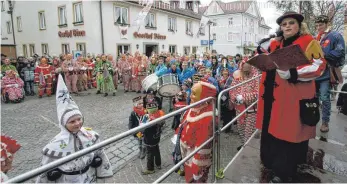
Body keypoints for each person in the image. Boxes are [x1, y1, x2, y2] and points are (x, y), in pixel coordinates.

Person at [255, 11, 326, 182]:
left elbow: (319, 66)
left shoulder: (310, 42)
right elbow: (262, 51)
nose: (287, 26)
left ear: (299, 25)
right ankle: (269, 162)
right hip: (271, 95)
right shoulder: (276, 43)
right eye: (284, 24)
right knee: (270, 128)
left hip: (293, 96)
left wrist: (294, 73)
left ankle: (283, 171)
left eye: (291, 23)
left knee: (288, 132)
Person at [36, 75, 113, 183]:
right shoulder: (54, 146)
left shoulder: (91, 136)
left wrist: (102, 173)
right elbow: (44, 170)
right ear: (63, 124)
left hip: (89, 177)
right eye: (72, 121)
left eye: (79, 119)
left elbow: (101, 155)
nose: (77, 123)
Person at [176, 81, 217, 183]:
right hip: (187, 156)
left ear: (204, 97)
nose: (190, 96)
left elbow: (203, 148)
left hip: (195, 161)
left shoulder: (207, 118)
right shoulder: (194, 108)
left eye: (194, 94)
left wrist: (197, 169)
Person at [315, 15, 345, 132]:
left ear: (327, 24)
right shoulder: (316, 37)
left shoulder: (336, 35)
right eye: (317, 25)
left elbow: (340, 52)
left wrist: (322, 54)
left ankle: (325, 122)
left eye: (321, 25)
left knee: (324, 98)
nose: (318, 27)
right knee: (313, 98)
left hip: (326, 74)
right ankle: (314, 119)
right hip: (314, 74)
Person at [229, 60, 259, 147]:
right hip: (239, 109)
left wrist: (243, 97)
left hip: (252, 111)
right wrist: (235, 99)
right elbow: (231, 90)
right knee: (241, 130)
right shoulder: (238, 77)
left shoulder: (256, 77)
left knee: (249, 133)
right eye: (243, 66)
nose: (245, 68)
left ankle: (248, 149)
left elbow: (257, 93)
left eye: (247, 66)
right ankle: (244, 146)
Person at [141, 103, 165, 175]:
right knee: (157, 150)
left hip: (149, 139)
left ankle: (150, 168)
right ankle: (158, 164)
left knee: (149, 154)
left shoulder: (148, 118)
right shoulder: (160, 116)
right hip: (156, 138)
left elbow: (143, 128)